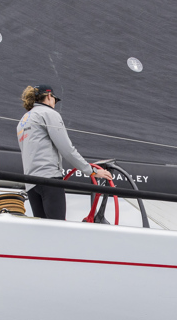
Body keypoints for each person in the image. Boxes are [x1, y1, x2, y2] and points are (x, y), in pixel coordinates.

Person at [16, 85, 112, 220]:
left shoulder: (22, 121)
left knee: (43, 231)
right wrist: (92, 171)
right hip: (49, 179)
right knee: (58, 228)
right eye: (55, 100)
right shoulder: (49, 114)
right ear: (49, 96)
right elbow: (67, 149)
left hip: (31, 183)